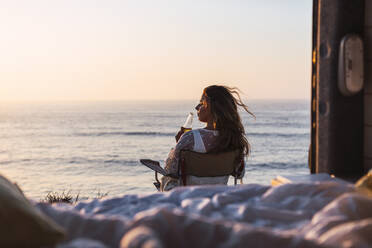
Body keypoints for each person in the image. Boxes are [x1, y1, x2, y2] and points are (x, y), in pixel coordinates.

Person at [160, 85, 254, 191]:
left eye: (201, 103)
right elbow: (240, 174)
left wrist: (179, 144)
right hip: (218, 199)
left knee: (166, 180)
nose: (197, 107)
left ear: (208, 105)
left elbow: (171, 171)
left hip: (188, 199)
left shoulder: (190, 138)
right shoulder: (233, 140)